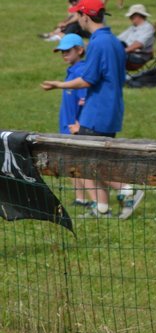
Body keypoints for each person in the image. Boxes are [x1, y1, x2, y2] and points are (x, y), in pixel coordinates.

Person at [40, 0, 144, 220]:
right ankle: (102, 207)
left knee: (87, 162)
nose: (77, 20)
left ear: (85, 16)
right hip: (112, 110)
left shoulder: (97, 43)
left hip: (97, 112)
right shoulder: (114, 41)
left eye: (78, 15)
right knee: (94, 161)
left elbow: (88, 79)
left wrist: (59, 84)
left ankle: (127, 189)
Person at [41, 33, 92, 207]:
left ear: (80, 50)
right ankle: (80, 198)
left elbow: (85, 101)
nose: (64, 54)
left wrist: (80, 124)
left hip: (75, 127)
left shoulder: (81, 72)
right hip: (66, 125)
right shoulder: (71, 72)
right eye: (62, 51)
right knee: (70, 163)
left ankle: (99, 201)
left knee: (81, 164)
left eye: (67, 51)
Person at [118, 4, 156, 71]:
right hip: (127, 53)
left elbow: (138, 44)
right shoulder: (132, 27)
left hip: (138, 56)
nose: (130, 18)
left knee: (110, 57)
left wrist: (123, 51)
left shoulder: (148, 28)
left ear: (138, 16)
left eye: (131, 16)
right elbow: (118, 39)